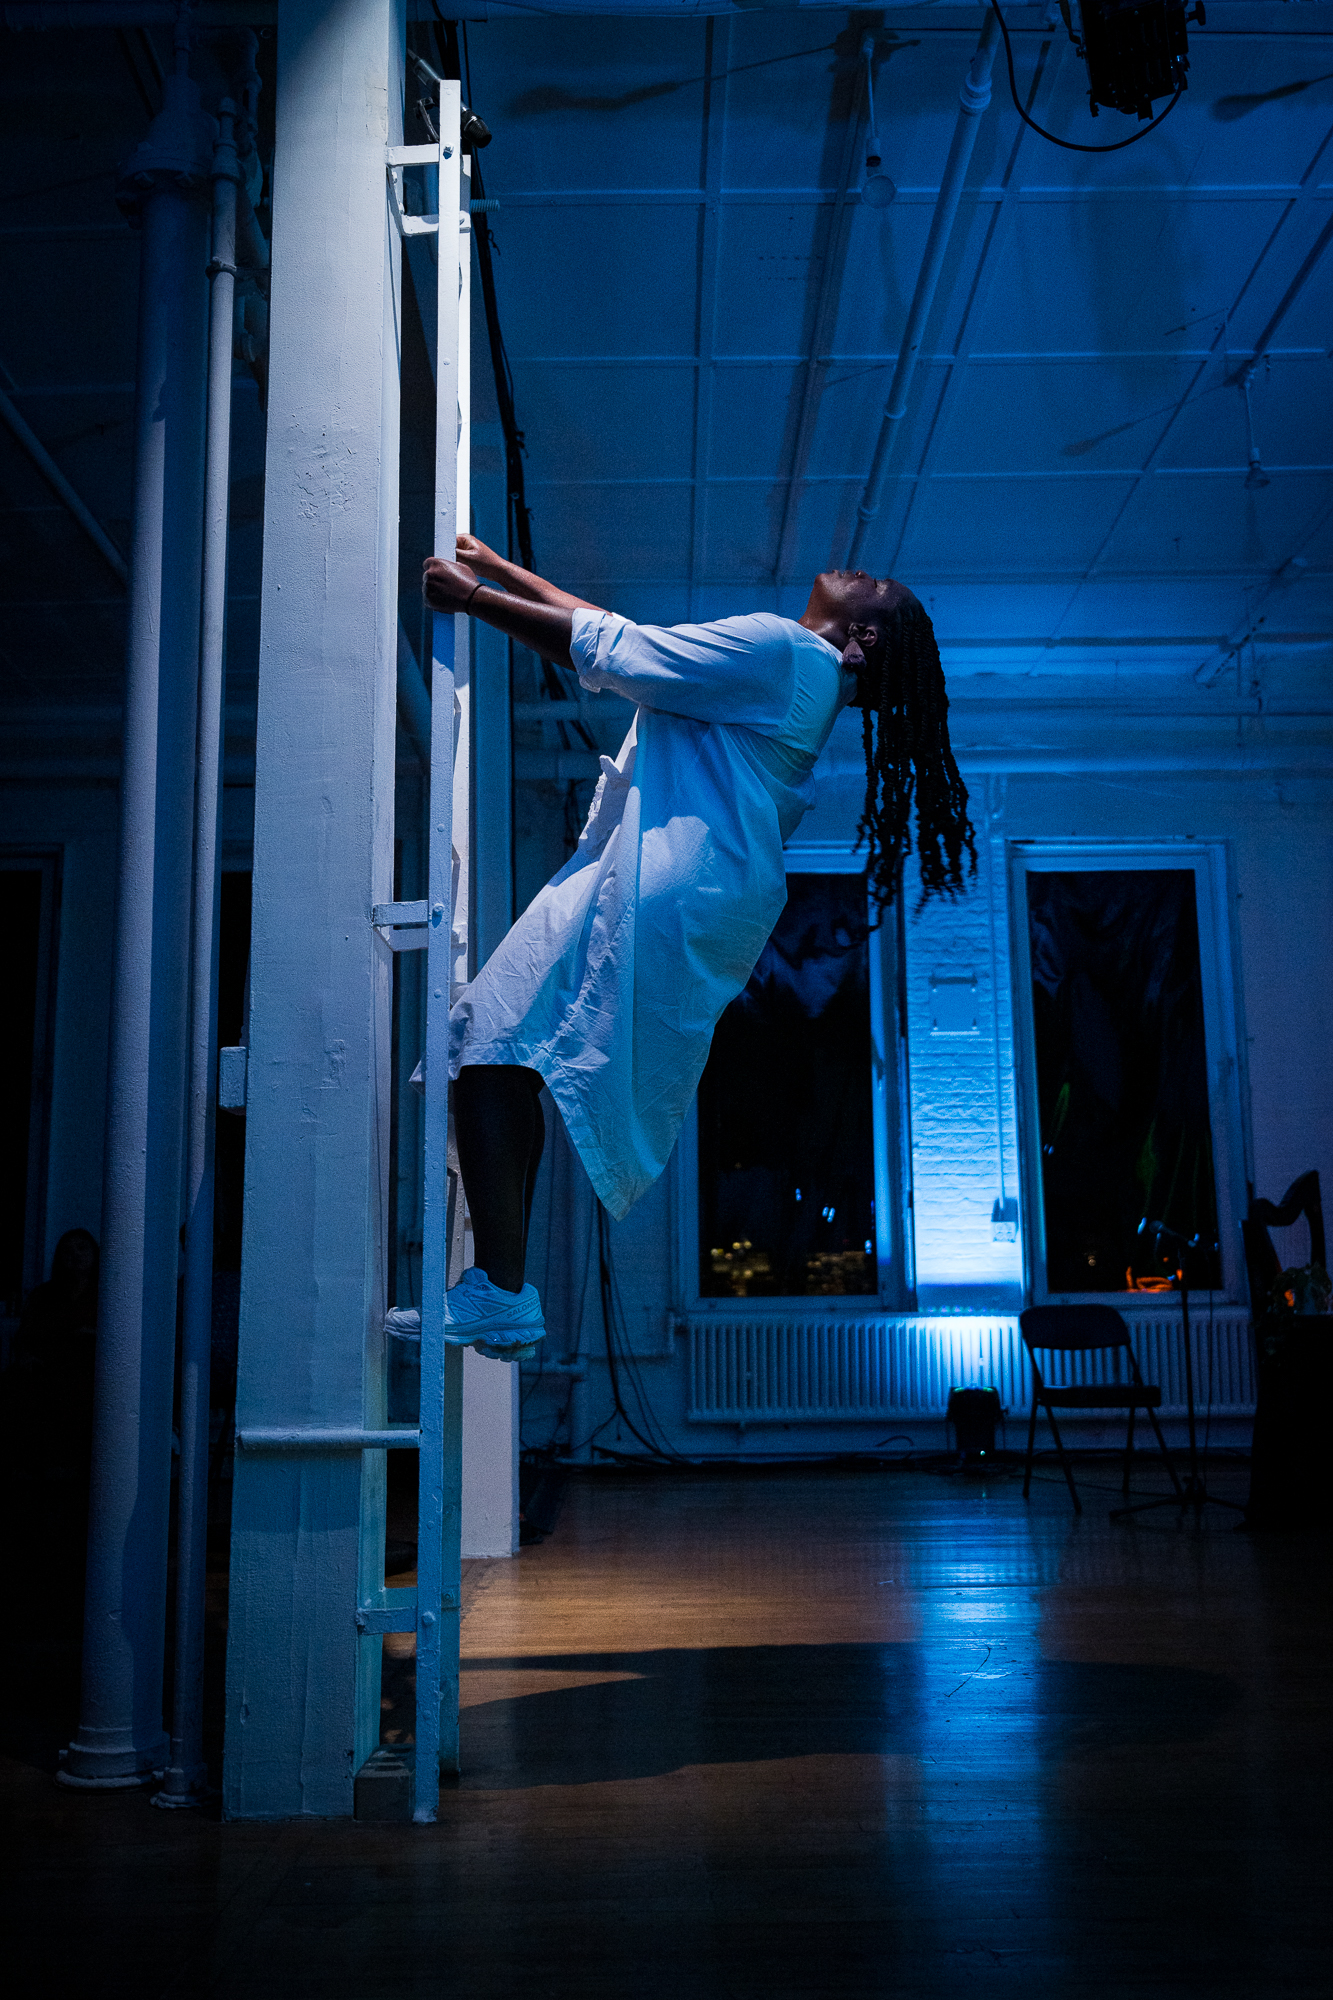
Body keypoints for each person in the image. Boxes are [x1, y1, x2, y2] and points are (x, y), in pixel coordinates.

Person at [419, 537, 974, 1360]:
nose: (860, 570)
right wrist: (498, 572)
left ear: (862, 641)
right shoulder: (797, 674)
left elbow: (614, 651)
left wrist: (469, 601)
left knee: (492, 1048)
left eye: (875, 589)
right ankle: (497, 1290)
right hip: (697, 887)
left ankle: (499, 1291)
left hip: (666, 879)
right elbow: (615, 631)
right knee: (497, 1048)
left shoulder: (787, 651)